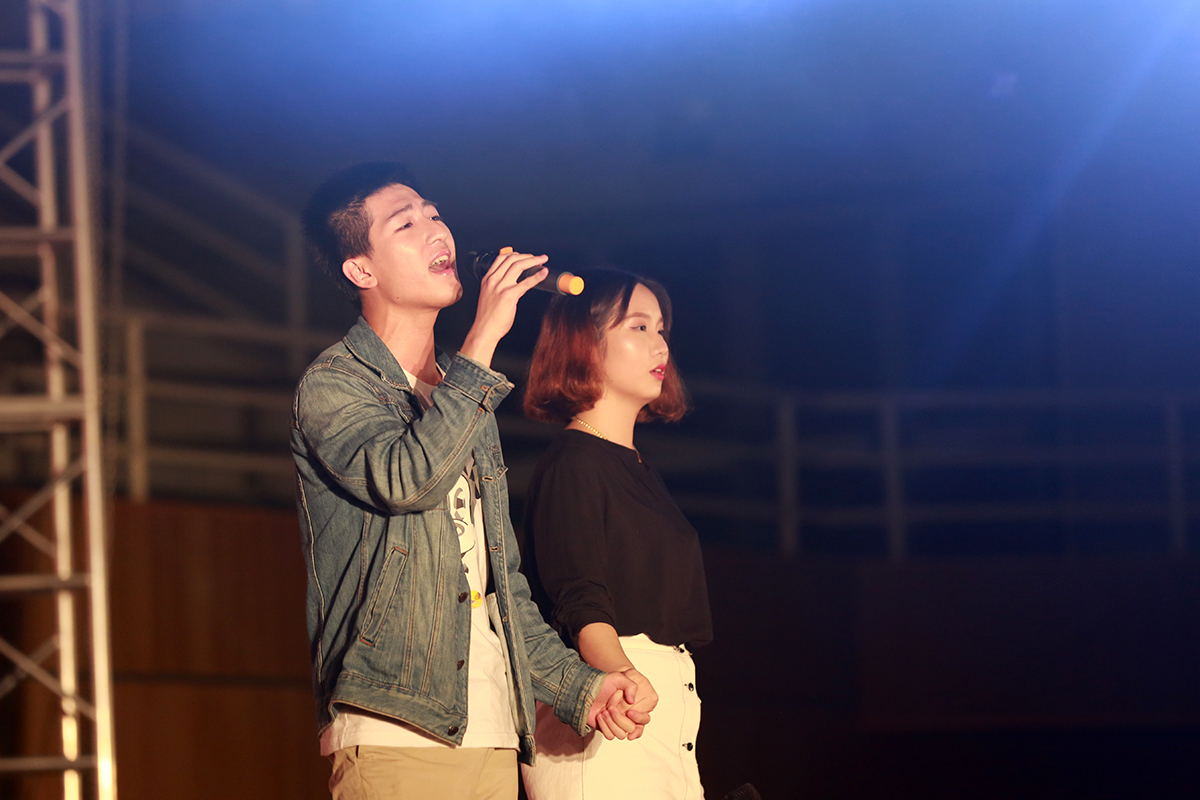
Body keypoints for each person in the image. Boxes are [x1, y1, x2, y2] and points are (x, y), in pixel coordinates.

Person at [291, 163, 647, 800]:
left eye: (433, 213)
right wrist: (482, 340)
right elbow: (407, 482)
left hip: (494, 728)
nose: (436, 230)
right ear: (361, 270)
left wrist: (583, 688)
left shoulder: (463, 392)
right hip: (396, 726)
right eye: (406, 224)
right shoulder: (334, 385)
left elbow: (500, 584)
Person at [519, 270, 714, 799]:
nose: (660, 345)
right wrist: (622, 679)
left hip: (654, 713)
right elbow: (579, 600)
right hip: (610, 706)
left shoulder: (635, 466)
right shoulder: (574, 461)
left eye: (661, 329)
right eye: (639, 327)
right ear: (585, 342)